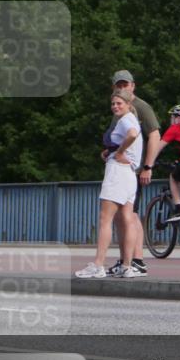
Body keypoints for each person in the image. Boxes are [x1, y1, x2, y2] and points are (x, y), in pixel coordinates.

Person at [76, 91, 143, 278]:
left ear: (128, 104)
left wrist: (119, 152)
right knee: (126, 219)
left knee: (105, 218)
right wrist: (112, 150)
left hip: (117, 172)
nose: (115, 107)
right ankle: (127, 266)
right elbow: (131, 137)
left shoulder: (125, 121)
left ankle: (98, 264)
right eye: (113, 103)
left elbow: (131, 134)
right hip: (130, 175)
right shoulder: (132, 119)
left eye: (119, 103)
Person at [109, 70, 160, 277]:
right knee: (122, 216)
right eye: (118, 85)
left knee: (130, 215)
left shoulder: (140, 107)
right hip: (119, 169)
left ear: (133, 86)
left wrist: (147, 166)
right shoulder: (118, 107)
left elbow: (155, 135)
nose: (122, 88)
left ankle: (136, 260)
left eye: (125, 84)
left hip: (133, 169)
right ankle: (125, 260)